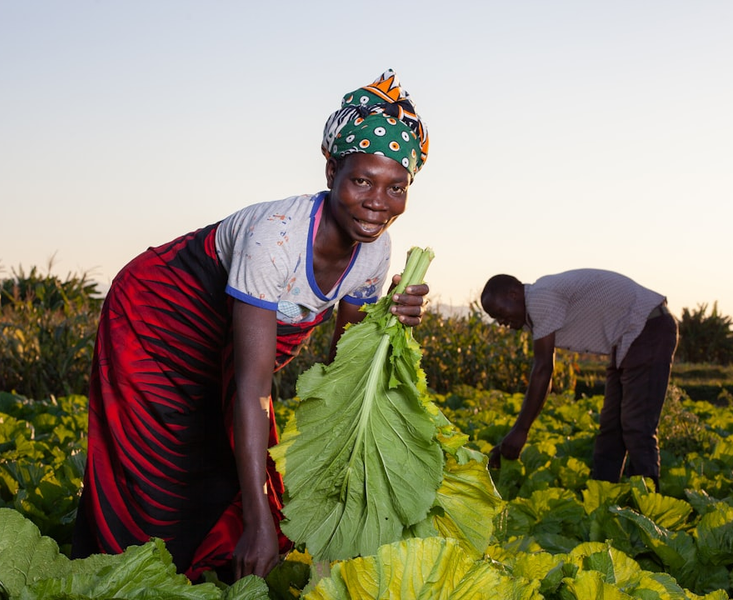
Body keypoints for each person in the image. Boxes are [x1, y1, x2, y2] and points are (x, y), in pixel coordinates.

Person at [71, 69, 431, 583]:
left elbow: (341, 367)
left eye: (397, 187)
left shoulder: (374, 251)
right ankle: (121, 573)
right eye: (361, 180)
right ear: (331, 170)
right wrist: (260, 523)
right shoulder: (277, 238)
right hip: (157, 315)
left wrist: (389, 319)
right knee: (161, 466)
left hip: (229, 342)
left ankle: (203, 572)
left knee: (223, 466)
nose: (379, 202)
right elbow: (252, 389)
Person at [480, 269, 679, 491]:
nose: (500, 322)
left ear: (514, 294)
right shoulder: (537, 309)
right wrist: (519, 430)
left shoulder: (539, 297)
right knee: (611, 429)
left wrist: (520, 430)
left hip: (647, 327)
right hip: (627, 339)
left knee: (636, 426)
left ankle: (649, 507)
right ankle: (601, 500)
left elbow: (544, 368)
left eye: (499, 312)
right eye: (494, 318)